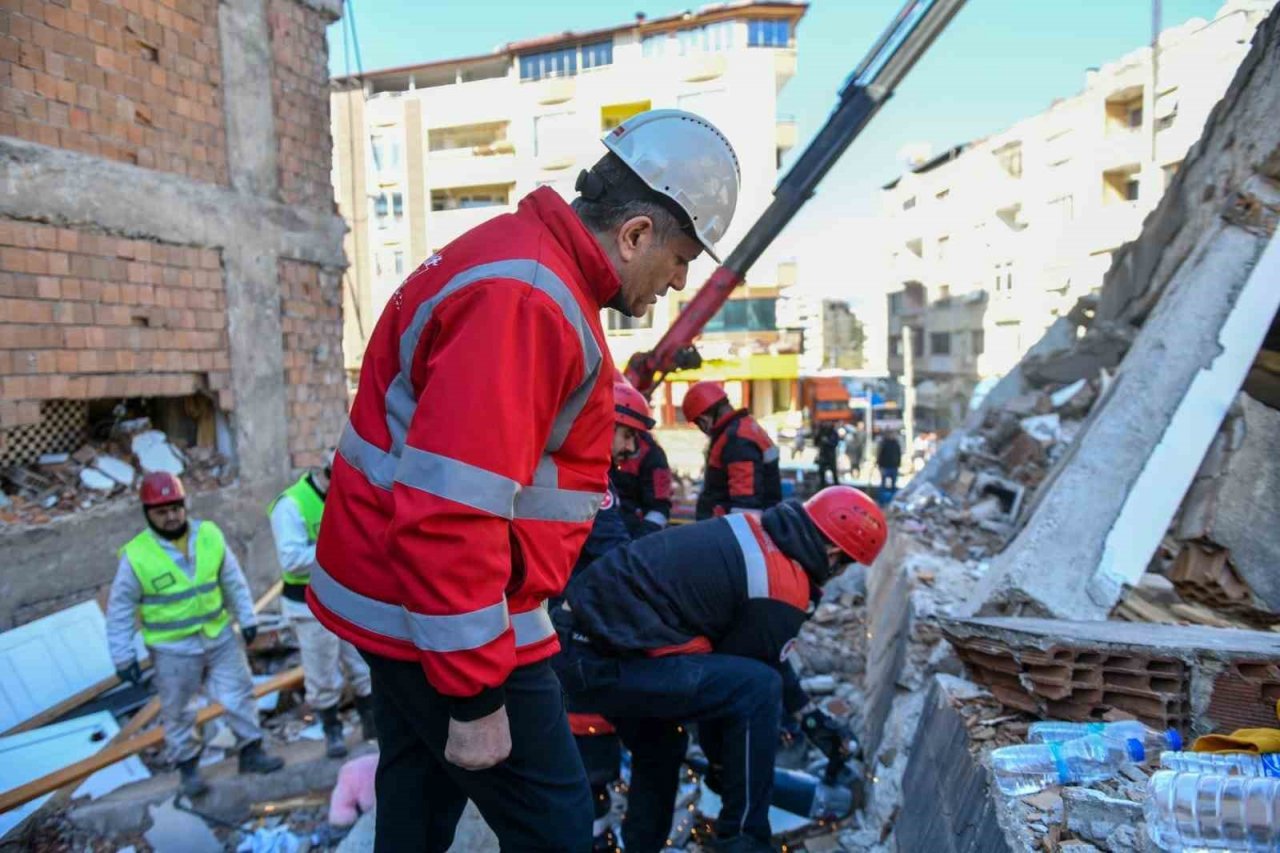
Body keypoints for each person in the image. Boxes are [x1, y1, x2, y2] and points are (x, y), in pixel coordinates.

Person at [309, 109, 741, 852]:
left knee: (416, 806)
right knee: (556, 828)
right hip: (454, 624)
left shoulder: (524, 267)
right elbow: (450, 513)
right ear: (635, 232)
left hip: (426, 609)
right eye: (680, 259)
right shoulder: (531, 297)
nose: (677, 281)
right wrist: (475, 695)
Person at [556, 486, 888, 852]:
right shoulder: (782, 584)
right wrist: (726, 768)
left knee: (662, 742)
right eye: (846, 565)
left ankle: (642, 847)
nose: (840, 574)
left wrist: (808, 717)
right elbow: (740, 686)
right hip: (604, 657)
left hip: (582, 645)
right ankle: (744, 839)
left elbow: (762, 654)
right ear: (833, 553)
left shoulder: (761, 531)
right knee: (757, 690)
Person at [108, 472, 285, 798]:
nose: (171, 516)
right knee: (179, 709)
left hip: (218, 635)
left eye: (175, 507)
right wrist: (123, 656)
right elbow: (119, 610)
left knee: (240, 692)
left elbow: (233, 580)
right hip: (173, 648)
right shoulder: (136, 556)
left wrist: (247, 618)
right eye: (162, 511)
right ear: (147, 513)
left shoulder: (209, 535)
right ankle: (189, 769)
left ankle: (251, 752)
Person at [561, 379, 650, 847]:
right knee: (584, 743)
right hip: (573, 622)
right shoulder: (590, 477)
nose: (631, 448)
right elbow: (614, 554)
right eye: (628, 435)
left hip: (565, 612)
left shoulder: (577, 466)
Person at [267, 450, 375, 759]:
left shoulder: (347, 497)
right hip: (309, 604)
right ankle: (332, 732)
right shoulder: (291, 505)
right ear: (326, 474)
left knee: (361, 665)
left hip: (348, 597)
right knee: (322, 672)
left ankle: (371, 724)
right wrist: (337, 548)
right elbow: (291, 559)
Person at [683, 380, 782, 520]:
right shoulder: (744, 428)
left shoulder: (737, 440)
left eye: (698, 424)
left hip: (730, 529)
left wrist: (738, 536)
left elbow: (746, 502)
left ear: (704, 419)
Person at [611, 415, 673, 537]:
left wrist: (638, 544)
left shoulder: (652, 457)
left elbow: (659, 508)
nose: (631, 447)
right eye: (627, 436)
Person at [876, 430, 903, 502]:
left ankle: (892, 500)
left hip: (893, 466)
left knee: (893, 485)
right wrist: (879, 464)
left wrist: (898, 464)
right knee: (884, 484)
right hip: (886, 466)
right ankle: (882, 500)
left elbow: (899, 454)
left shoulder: (896, 444)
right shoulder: (884, 443)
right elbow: (880, 454)